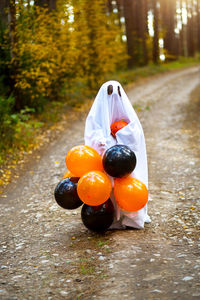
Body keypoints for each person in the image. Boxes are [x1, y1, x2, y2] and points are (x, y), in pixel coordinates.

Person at [84, 80, 151, 229]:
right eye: (109, 92)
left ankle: (131, 216)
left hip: (124, 164)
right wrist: (101, 141)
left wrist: (123, 134)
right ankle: (110, 217)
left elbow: (135, 134)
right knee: (108, 189)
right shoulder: (95, 115)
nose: (113, 96)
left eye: (116, 92)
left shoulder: (127, 113)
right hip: (105, 164)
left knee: (127, 186)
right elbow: (91, 135)